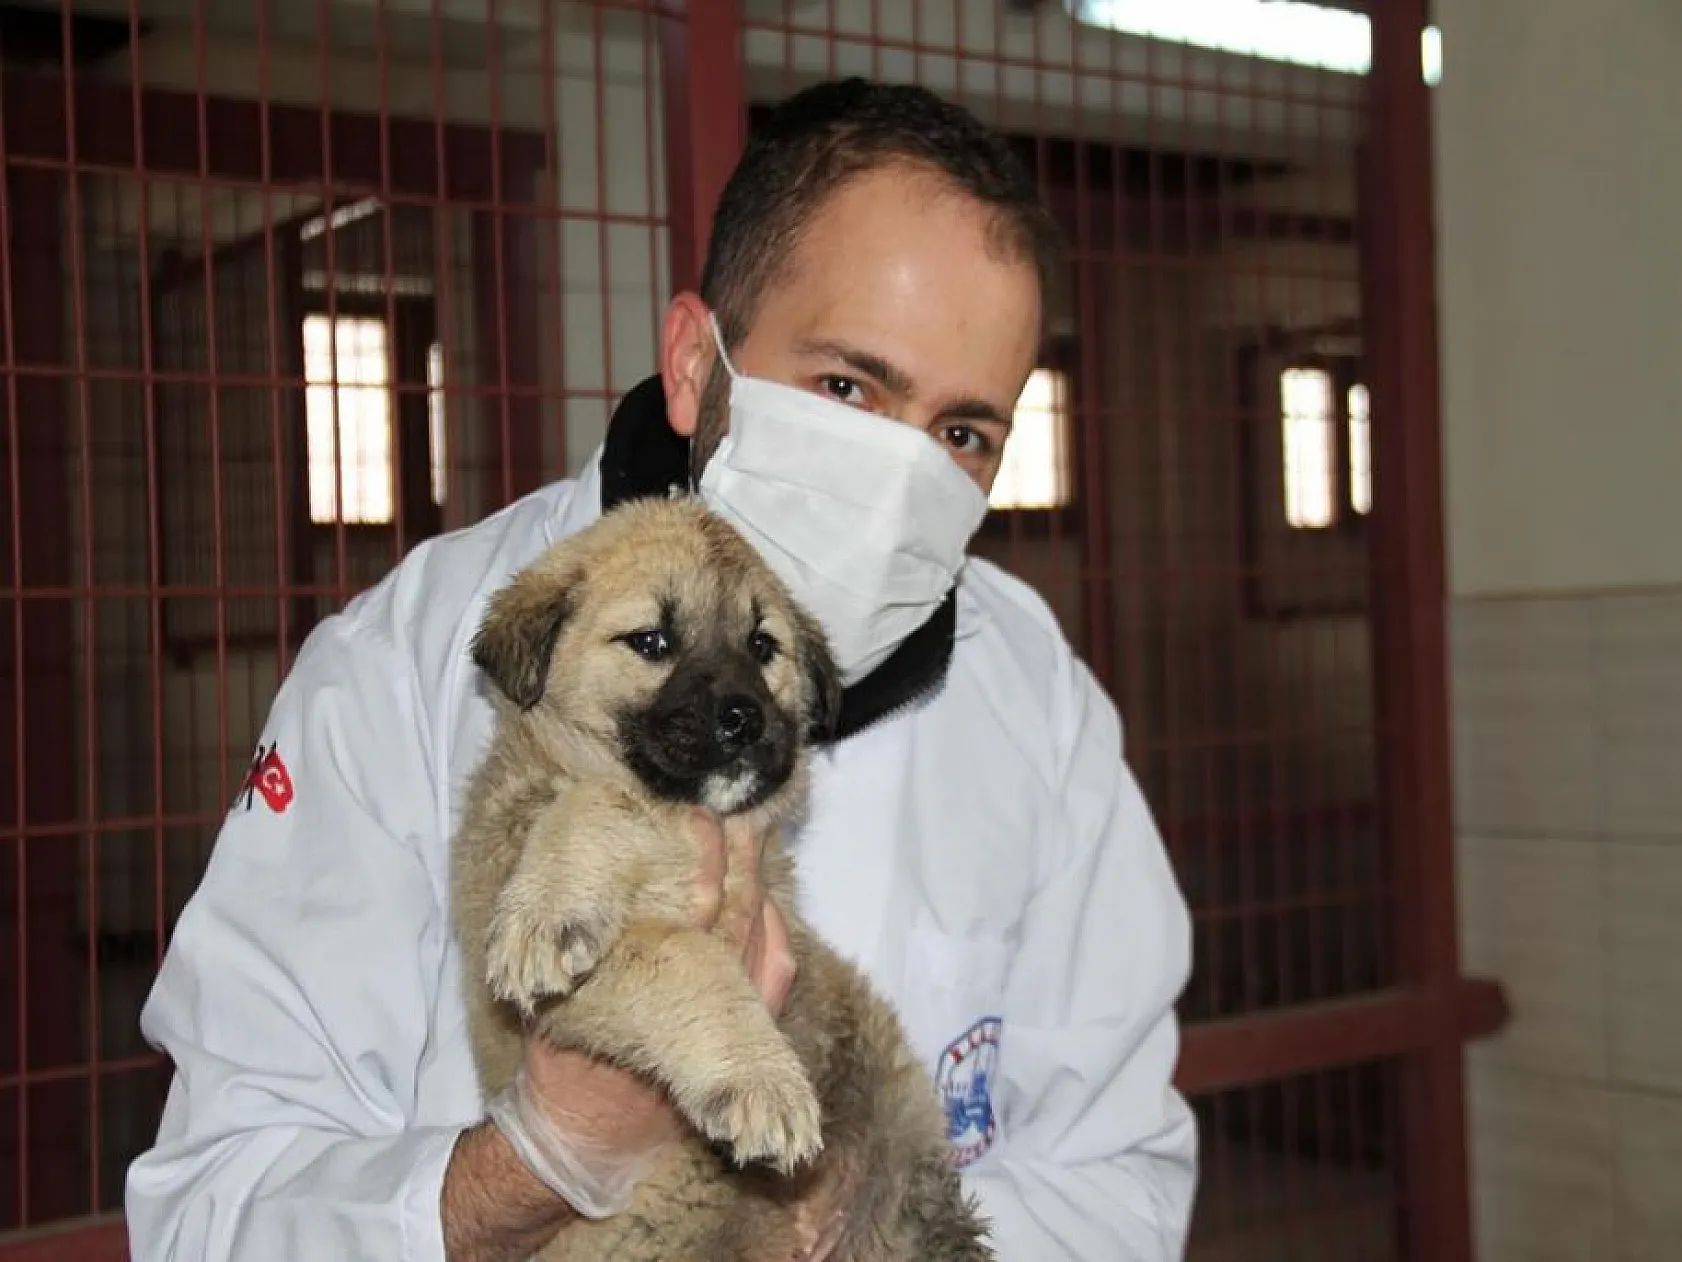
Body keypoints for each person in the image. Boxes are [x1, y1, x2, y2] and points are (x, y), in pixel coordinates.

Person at [125, 77, 1198, 1260]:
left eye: (960, 433)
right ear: (694, 362)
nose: (898, 476)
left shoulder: (1031, 691)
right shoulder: (411, 662)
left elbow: (1116, 1168)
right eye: (847, 386)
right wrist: (539, 1155)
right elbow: (210, 1207)